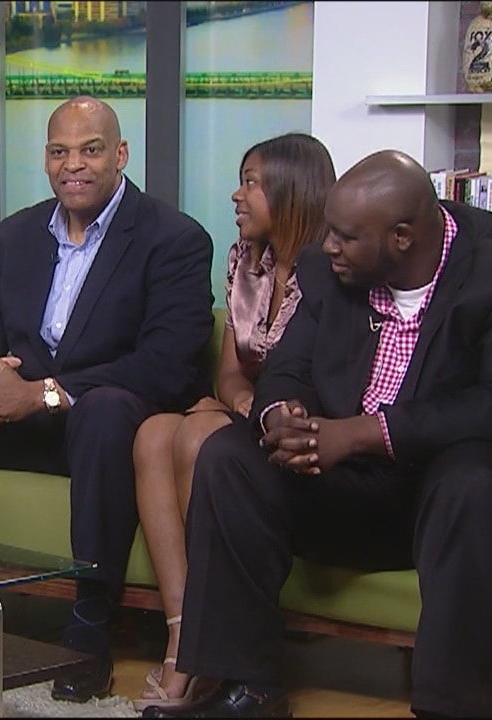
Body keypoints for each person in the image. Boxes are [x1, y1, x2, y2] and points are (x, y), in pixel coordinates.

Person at [145, 150, 492, 719]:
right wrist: (282, 415)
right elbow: (287, 367)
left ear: (402, 238)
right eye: (328, 231)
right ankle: (247, 689)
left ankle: (450, 710)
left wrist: (365, 434)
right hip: (356, 488)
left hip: (460, 497)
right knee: (230, 456)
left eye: (345, 237)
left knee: (473, 482)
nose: (327, 246)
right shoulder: (328, 271)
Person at [0, 95, 215, 702]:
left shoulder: (173, 239)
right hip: (11, 424)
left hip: (98, 431)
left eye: (90, 150)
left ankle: (88, 630)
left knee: (106, 411)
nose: (72, 165)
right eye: (59, 151)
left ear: (120, 155)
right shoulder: (18, 234)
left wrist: (44, 394)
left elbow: (166, 364)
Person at [130, 133, 336, 711]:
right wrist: (243, 405)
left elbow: (329, 384)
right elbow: (229, 372)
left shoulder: (332, 273)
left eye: (251, 183)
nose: (236, 195)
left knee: (199, 434)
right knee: (153, 434)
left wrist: (256, 412)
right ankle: (182, 638)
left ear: (292, 192)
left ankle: (217, 653)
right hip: (250, 411)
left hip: (299, 427)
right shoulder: (245, 261)